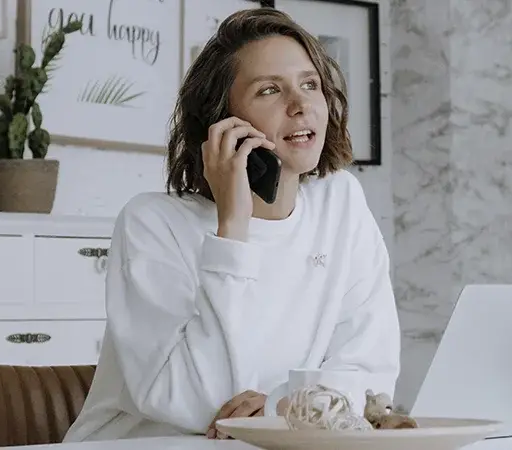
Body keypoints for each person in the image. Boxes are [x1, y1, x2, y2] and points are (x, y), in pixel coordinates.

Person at [61, 8, 400, 442]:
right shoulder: (151, 224)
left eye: (310, 84)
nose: (300, 106)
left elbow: (370, 373)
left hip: (278, 441)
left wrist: (281, 405)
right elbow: (198, 399)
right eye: (270, 90)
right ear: (222, 121)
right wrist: (233, 227)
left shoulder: (342, 203)